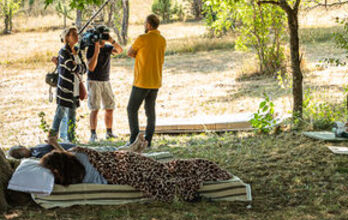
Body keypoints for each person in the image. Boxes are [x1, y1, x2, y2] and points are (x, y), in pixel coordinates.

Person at [39, 137, 232, 202]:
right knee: (166, 169)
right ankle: (203, 168)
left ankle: (188, 187)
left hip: (123, 169)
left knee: (157, 182)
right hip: (127, 159)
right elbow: (98, 153)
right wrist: (56, 146)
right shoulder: (76, 152)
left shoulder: (75, 179)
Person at [125, 14, 166, 147]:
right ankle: (148, 141)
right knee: (150, 111)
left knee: (131, 109)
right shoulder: (162, 40)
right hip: (155, 81)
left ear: (148, 25)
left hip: (142, 81)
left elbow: (130, 52)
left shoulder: (142, 38)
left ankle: (134, 139)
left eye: (144, 23)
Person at [47, 27, 85, 146]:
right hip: (65, 89)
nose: (76, 36)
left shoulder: (77, 51)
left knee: (72, 116)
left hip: (75, 89)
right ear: (67, 38)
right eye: (73, 34)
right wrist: (78, 66)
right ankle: (52, 139)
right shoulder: (63, 52)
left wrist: (77, 66)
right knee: (60, 113)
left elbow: (84, 69)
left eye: (76, 34)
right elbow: (72, 67)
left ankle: (71, 141)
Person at [85, 27, 123, 142]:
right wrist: (97, 49)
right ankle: (93, 134)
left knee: (110, 107)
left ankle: (109, 132)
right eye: (103, 35)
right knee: (94, 108)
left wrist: (111, 41)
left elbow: (120, 50)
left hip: (106, 80)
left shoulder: (108, 48)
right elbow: (91, 67)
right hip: (94, 80)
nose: (103, 38)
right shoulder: (91, 48)